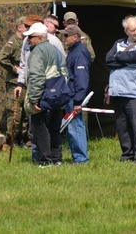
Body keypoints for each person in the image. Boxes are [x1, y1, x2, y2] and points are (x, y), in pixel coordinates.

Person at [105, 15, 136, 163]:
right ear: (126, 31)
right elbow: (108, 60)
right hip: (118, 91)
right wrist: (124, 58)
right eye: (133, 30)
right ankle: (127, 154)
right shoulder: (118, 43)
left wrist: (119, 57)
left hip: (135, 92)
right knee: (122, 126)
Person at [23, 23, 67, 167]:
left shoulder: (37, 52)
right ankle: (57, 159)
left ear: (40, 37)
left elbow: (37, 77)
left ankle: (46, 160)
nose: (29, 40)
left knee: (40, 130)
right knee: (55, 129)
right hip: (58, 96)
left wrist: (34, 99)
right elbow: (65, 73)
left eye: (31, 37)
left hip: (44, 96)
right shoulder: (56, 50)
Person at [58, 24, 92, 164]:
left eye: (67, 35)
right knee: (72, 126)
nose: (64, 38)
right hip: (71, 95)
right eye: (63, 35)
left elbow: (81, 77)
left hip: (75, 96)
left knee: (76, 126)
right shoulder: (73, 51)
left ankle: (81, 159)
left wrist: (78, 100)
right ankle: (77, 157)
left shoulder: (79, 53)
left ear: (76, 37)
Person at [0, 16, 27, 145]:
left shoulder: (26, 42)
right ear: (19, 27)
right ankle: (11, 138)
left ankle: (21, 138)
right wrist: (14, 69)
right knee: (14, 111)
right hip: (14, 82)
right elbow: (0, 58)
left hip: (24, 82)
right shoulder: (13, 42)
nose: (28, 29)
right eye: (26, 26)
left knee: (24, 111)